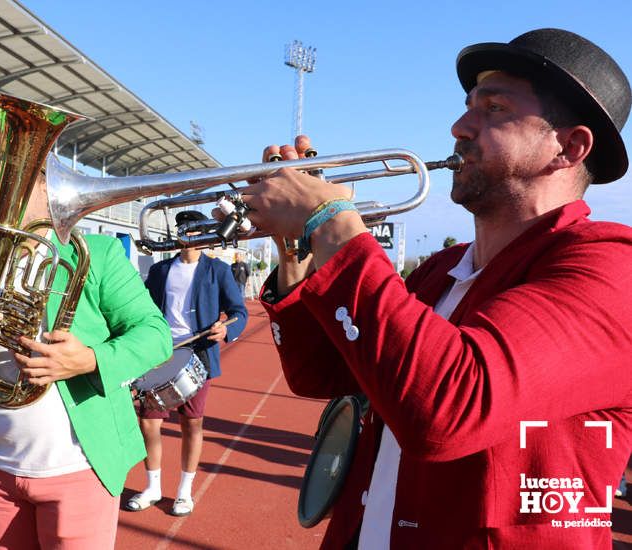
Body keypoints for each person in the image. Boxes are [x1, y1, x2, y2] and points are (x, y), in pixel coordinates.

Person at [243, 28, 632, 548]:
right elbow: (321, 373)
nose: (458, 126)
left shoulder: (609, 268)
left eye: (493, 109)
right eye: (468, 105)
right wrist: (296, 246)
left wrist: (332, 219)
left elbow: (449, 409)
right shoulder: (441, 269)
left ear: (568, 147)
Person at [0, 156, 172, 549]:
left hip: (81, 468)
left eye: (19, 179)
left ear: (50, 187)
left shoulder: (97, 254)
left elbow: (155, 335)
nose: (4, 193)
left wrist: (91, 359)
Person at [127, 210, 248, 516]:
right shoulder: (161, 270)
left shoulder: (217, 270)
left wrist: (226, 329)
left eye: (194, 230)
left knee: (191, 424)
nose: (187, 235)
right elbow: (145, 311)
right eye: (183, 230)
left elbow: (239, 311)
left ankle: (184, 492)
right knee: (149, 423)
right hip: (160, 355)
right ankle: (153, 487)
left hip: (199, 355)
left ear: (204, 234)